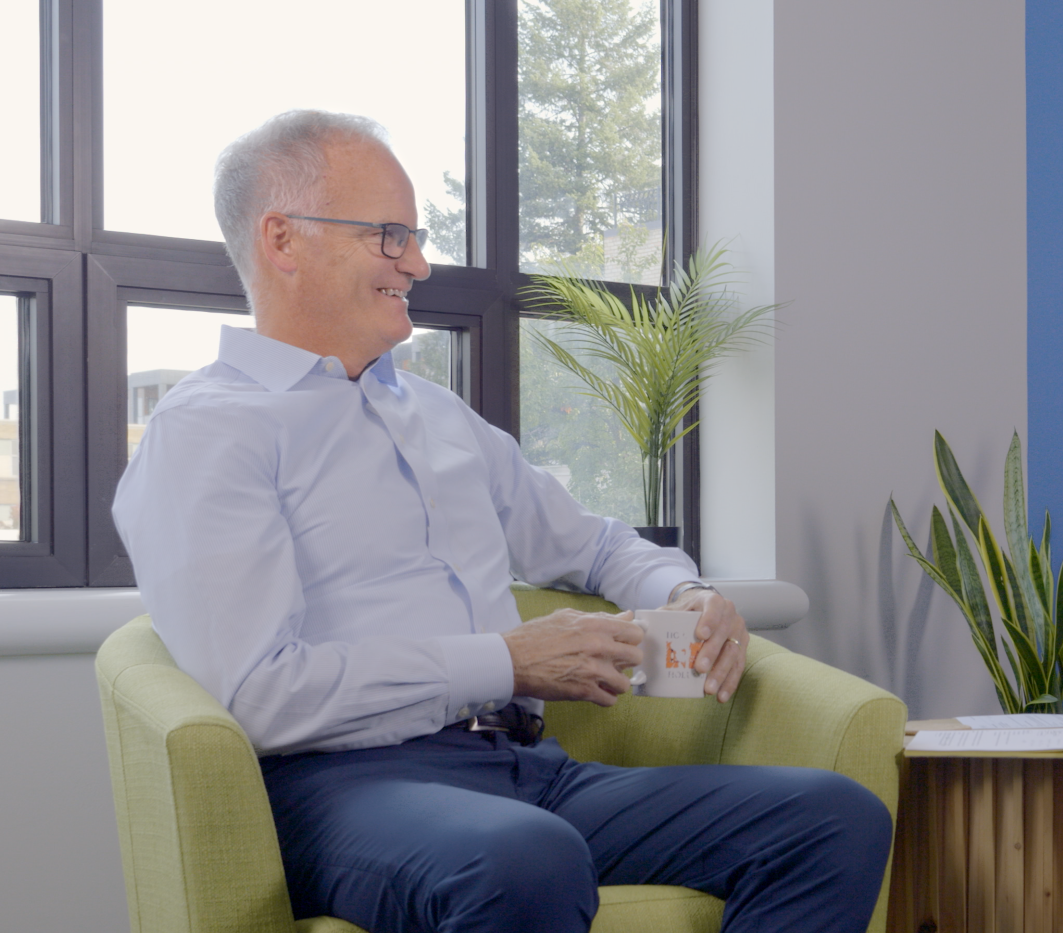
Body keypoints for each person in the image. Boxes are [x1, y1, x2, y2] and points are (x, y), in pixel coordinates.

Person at [112, 110, 891, 933]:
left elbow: (589, 543)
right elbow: (260, 691)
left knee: (834, 815)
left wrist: (685, 589)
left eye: (415, 236)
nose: (418, 261)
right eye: (389, 236)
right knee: (522, 855)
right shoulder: (209, 430)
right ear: (282, 240)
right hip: (342, 788)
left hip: (521, 771)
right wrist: (505, 660)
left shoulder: (441, 417)